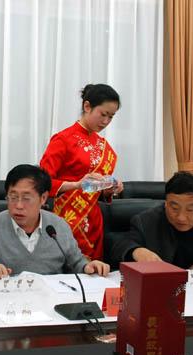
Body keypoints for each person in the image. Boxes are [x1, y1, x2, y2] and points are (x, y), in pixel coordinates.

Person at [0, 164, 110, 279]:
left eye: (26, 198)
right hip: (6, 301)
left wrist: (88, 267)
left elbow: (76, 263)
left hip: (52, 300)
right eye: (13, 197)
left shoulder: (58, 226)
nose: (18, 205)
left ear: (43, 198)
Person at [40, 84, 124, 261]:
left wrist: (109, 189)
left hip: (93, 220)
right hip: (65, 218)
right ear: (87, 106)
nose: (106, 121)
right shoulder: (63, 139)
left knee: (95, 270)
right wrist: (77, 185)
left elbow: (96, 190)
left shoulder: (103, 145)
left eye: (111, 116)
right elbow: (42, 182)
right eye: (103, 114)